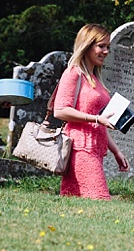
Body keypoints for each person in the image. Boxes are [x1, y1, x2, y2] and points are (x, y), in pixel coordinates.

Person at [52, 24, 129, 199]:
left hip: (94, 149)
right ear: (87, 46)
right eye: (101, 46)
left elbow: (100, 122)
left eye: (108, 47)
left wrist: (116, 151)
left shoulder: (95, 78)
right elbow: (60, 110)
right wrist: (95, 118)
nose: (106, 51)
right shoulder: (74, 73)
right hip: (81, 149)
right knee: (100, 200)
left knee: (82, 205)